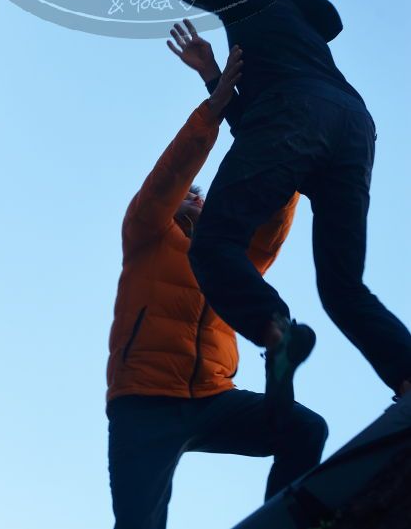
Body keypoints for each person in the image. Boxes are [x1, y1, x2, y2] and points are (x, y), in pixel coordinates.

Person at [154, 0, 411, 408]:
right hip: (354, 129)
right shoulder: (307, 51)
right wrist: (212, 75)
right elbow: (256, 131)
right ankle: (407, 377)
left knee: (214, 243)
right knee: (343, 287)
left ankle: (276, 329)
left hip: (296, 113)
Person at [106, 41, 327, 529]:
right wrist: (216, 103)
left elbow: (269, 225)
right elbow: (168, 178)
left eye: (200, 196)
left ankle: (280, 522)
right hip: (144, 401)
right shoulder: (146, 233)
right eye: (188, 195)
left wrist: (289, 164)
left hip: (213, 397)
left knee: (305, 431)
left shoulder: (232, 259)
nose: (193, 198)